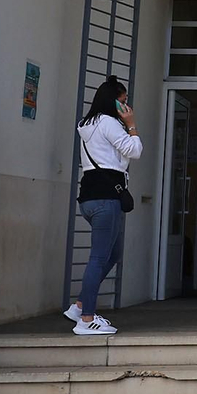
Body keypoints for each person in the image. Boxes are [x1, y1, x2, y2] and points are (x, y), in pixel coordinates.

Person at [64, 76, 141, 335]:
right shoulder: (108, 123)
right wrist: (131, 126)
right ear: (113, 102)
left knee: (113, 253)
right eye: (123, 101)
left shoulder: (86, 124)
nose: (126, 107)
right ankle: (86, 319)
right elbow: (134, 150)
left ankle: (80, 305)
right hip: (107, 196)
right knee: (99, 257)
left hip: (90, 194)